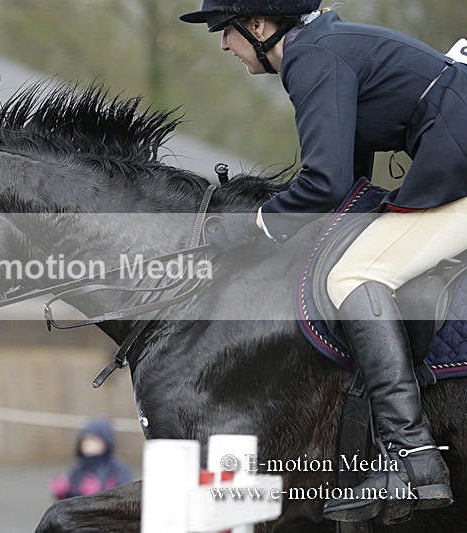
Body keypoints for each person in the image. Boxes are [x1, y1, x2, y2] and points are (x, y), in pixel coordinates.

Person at [180, 0, 467, 524]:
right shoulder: (327, 48)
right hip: (451, 152)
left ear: (259, 26)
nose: (224, 45)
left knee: (355, 273)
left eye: (226, 31)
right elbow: (347, 175)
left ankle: (413, 455)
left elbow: (323, 183)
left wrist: (254, 226)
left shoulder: (311, 59)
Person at [50, 418, 133, 500]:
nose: (88, 444)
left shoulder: (119, 469)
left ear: (106, 442)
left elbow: (125, 500)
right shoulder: (78, 468)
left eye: (94, 439)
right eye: (85, 439)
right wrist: (63, 493)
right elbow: (71, 502)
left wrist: (102, 493)